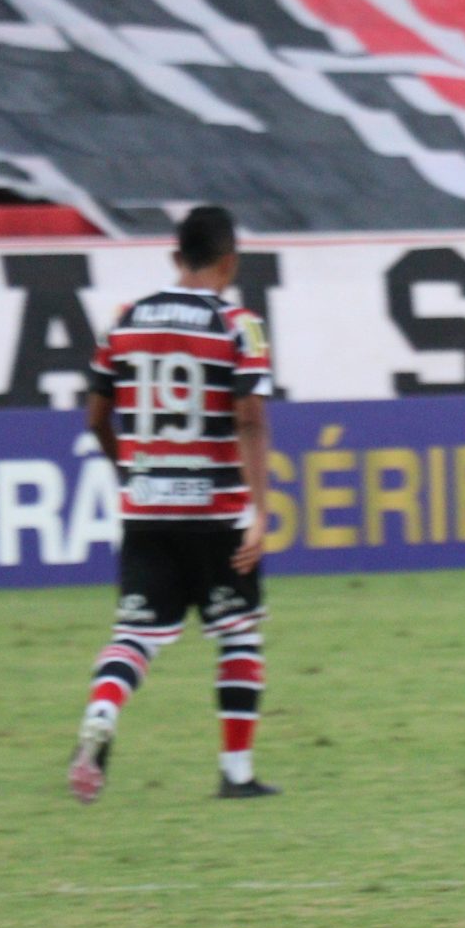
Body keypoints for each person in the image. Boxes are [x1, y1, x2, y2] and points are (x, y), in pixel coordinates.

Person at [69, 204, 279, 803]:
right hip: (215, 510)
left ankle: (104, 710)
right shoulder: (239, 325)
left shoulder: (122, 322)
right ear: (230, 261)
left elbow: (95, 417)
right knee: (237, 634)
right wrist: (260, 512)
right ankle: (236, 773)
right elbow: (251, 418)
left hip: (147, 508)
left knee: (135, 635)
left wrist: (128, 471)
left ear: (174, 257)